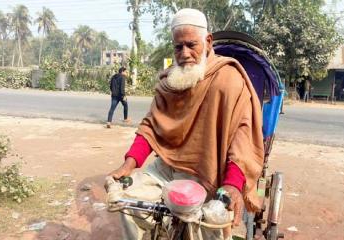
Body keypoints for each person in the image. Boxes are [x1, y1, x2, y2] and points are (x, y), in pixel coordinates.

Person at [108, 8, 264, 239]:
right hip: (164, 169)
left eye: (192, 45)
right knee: (126, 201)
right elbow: (150, 125)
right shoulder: (169, 81)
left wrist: (232, 184)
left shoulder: (228, 80)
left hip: (207, 174)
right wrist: (128, 165)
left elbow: (241, 138)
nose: (185, 53)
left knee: (208, 228)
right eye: (178, 47)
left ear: (208, 42)